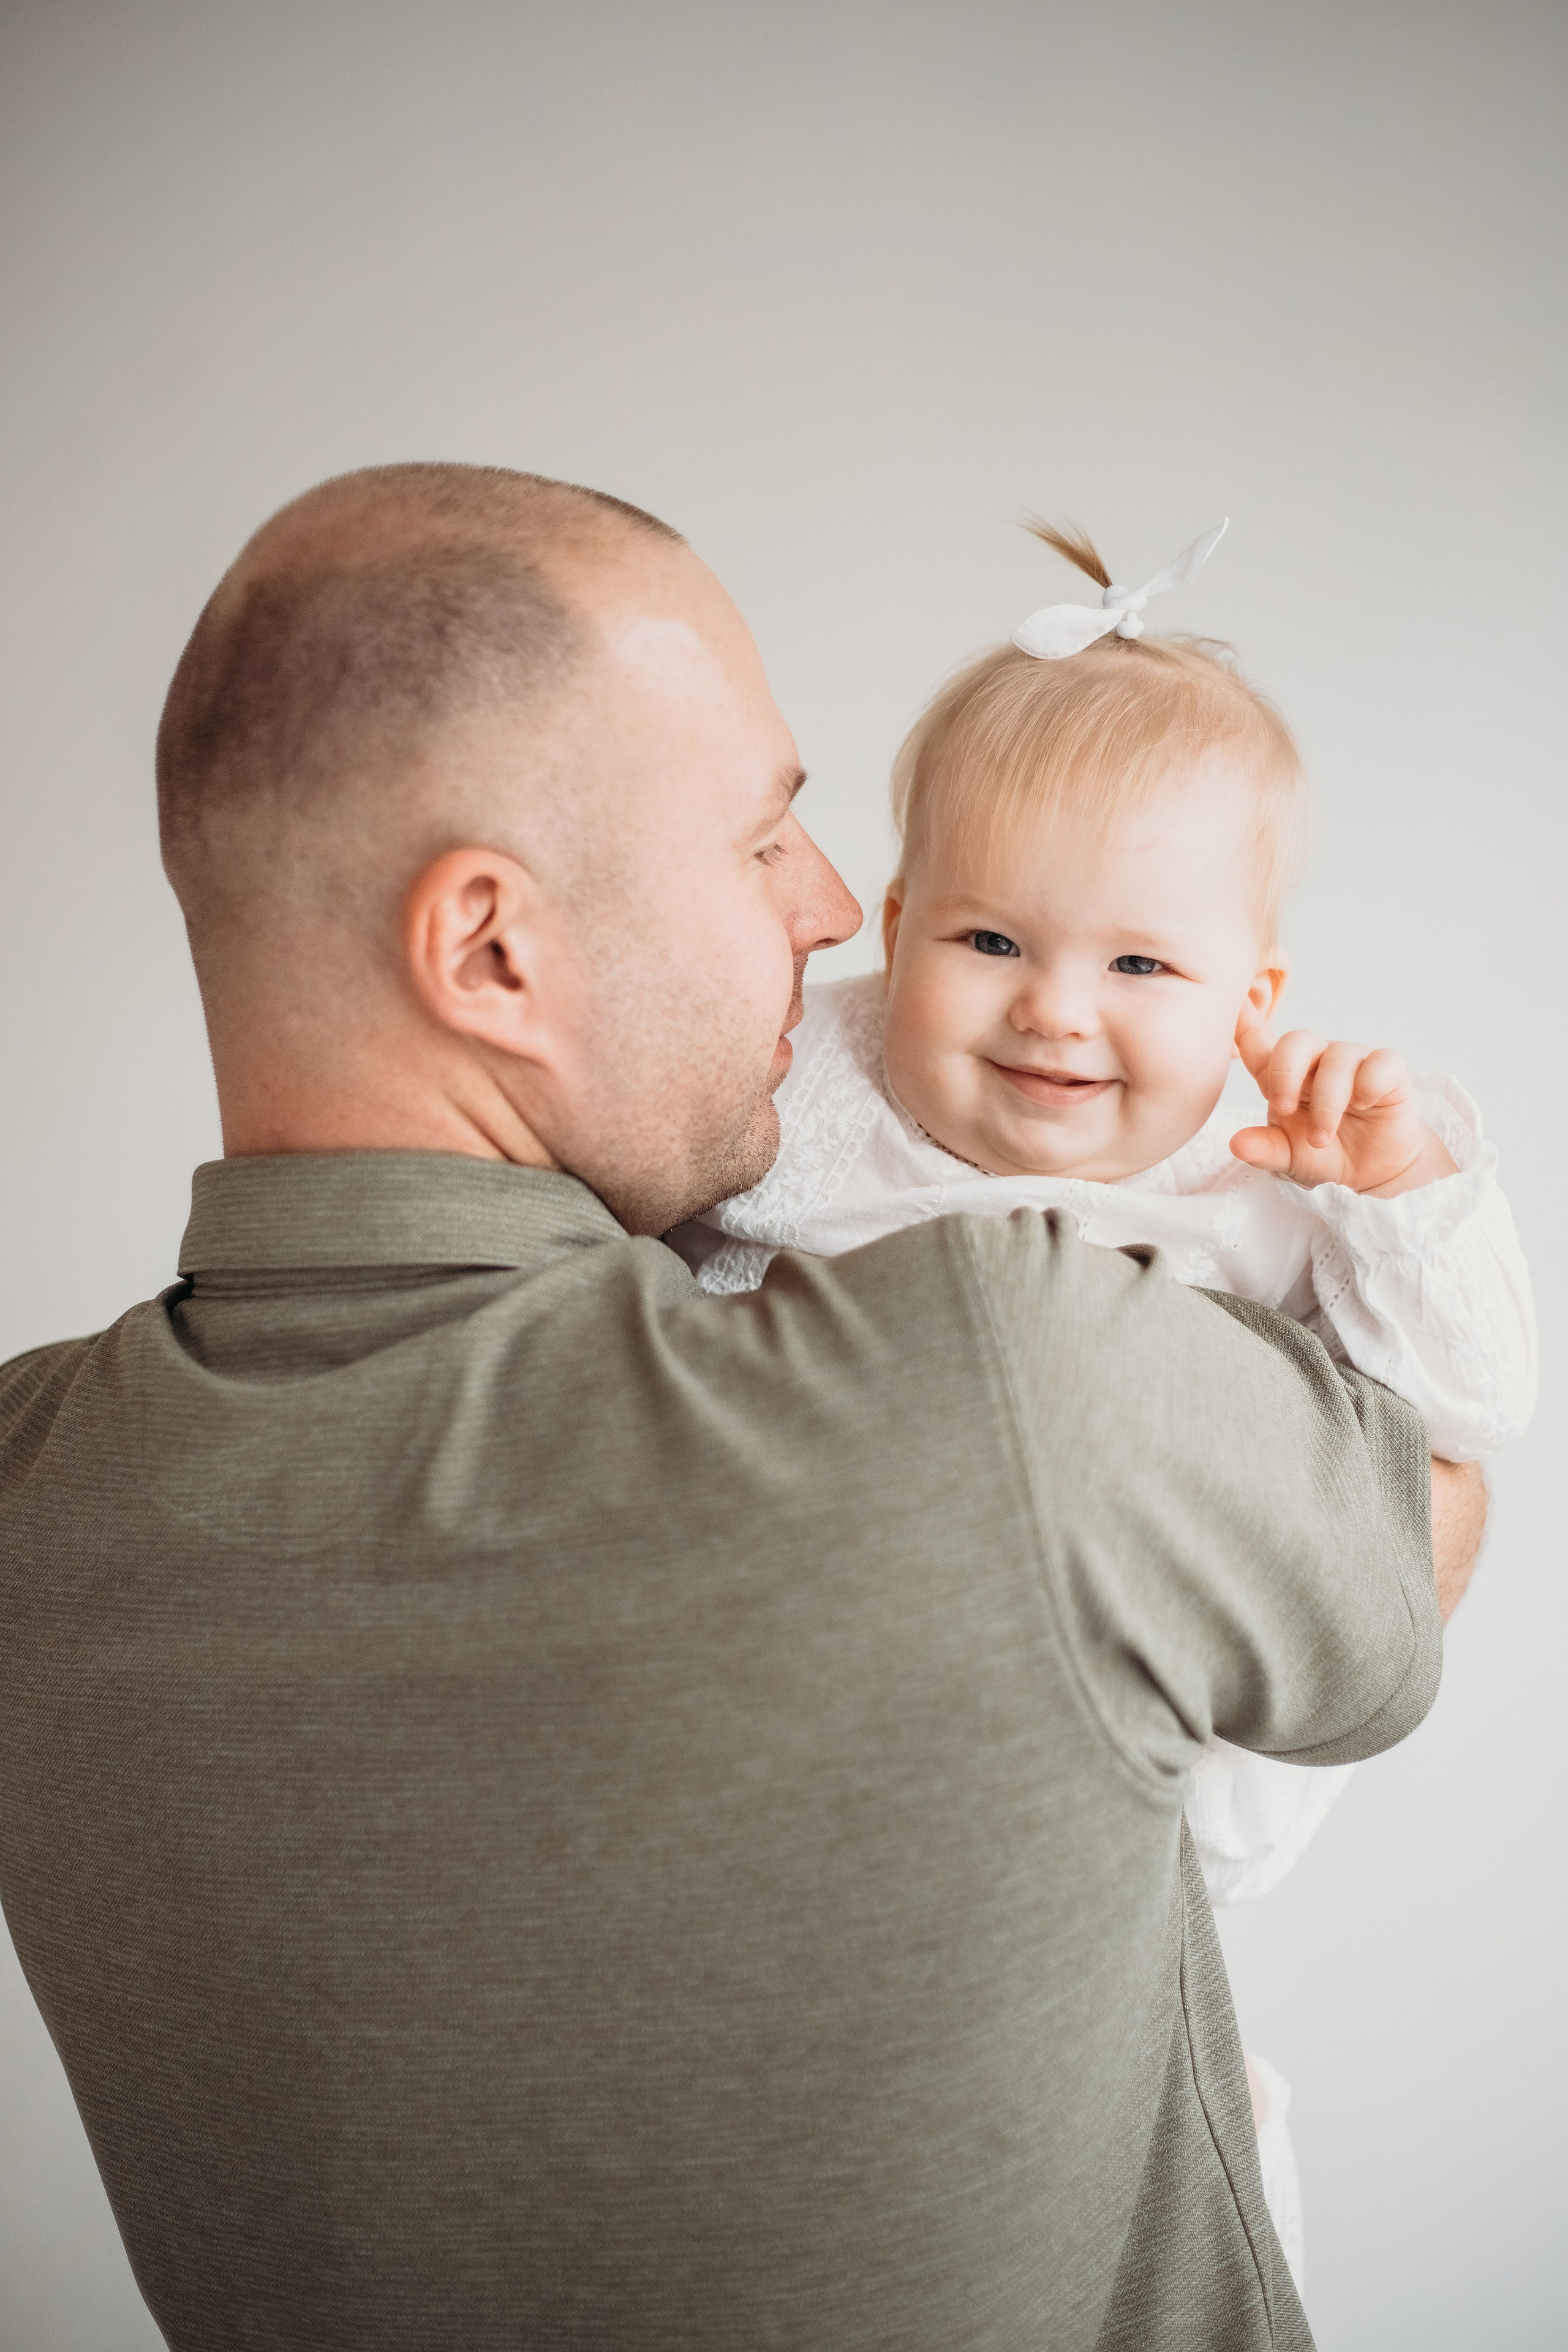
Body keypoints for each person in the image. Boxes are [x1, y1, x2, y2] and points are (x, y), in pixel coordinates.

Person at [0, 464, 1485, 2352]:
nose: (833, 905)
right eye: (760, 836)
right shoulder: (1022, 1372)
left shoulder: (23, 1508)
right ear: (491, 951)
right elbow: (1430, 1513)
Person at [671, 518, 1536, 2287]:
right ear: (895, 928)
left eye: (1144, 967)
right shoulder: (811, 1107)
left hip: (1175, 1785)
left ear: (1252, 998)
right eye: (990, 937)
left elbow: (1473, 1409)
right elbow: (655, 1283)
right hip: (826, 1759)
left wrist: (1408, 1197)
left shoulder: (1281, 1171)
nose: (1058, 1013)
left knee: (1150, 2079)